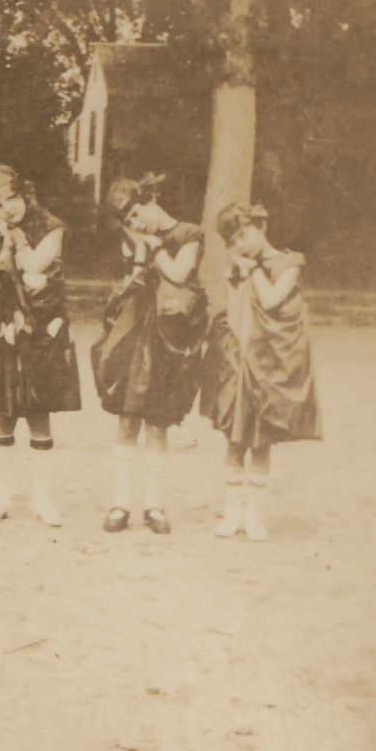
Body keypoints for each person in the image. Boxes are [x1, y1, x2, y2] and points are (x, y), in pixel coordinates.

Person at [0, 166, 81, 526]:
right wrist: (5, 248)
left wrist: (16, 240)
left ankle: (43, 499)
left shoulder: (51, 225)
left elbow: (33, 265)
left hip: (43, 321)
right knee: (4, 406)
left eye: (10, 198)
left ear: (23, 192)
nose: (6, 209)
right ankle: (1, 496)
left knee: (39, 406)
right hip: (4, 319)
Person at [88, 174, 206, 534]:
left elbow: (178, 274)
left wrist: (152, 246)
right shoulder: (138, 241)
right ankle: (120, 503)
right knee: (127, 415)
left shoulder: (189, 234)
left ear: (152, 199)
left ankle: (154, 505)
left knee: (157, 418)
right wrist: (139, 251)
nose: (136, 224)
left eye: (138, 214)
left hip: (172, 329)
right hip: (136, 327)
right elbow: (133, 285)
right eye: (129, 222)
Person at [202, 202, 322, 540]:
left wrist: (250, 268)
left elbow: (270, 300)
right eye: (233, 241)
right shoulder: (240, 265)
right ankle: (232, 511)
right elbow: (237, 308)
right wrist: (237, 274)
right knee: (235, 433)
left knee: (261, 437)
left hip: (271, 361)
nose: (240, 245)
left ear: (262, 227)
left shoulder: (289, 263)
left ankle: (254, 515)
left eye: (243, 235)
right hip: (243, 355)